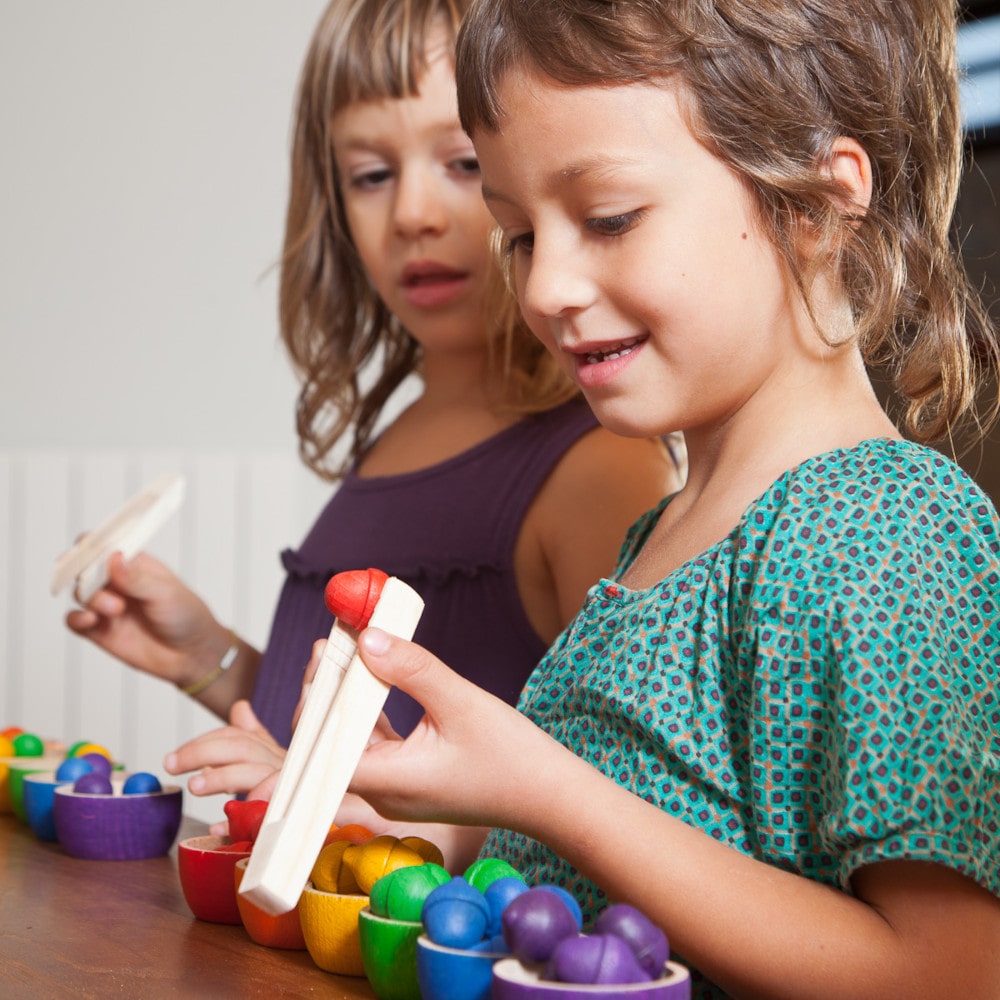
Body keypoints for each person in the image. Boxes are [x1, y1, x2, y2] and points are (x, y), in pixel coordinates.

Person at [334, 0, 1000, 996]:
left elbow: (949, 973)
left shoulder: (886, 529)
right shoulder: (670, 531)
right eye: (519, 235)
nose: (547, 285)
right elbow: (613, 852)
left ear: (814, 205)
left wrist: (543, 786)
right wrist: (422, 801)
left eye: (608, 217)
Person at [64, 0, 680, 800]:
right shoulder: (402, 438)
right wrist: (206, 657)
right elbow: (348, 742)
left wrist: (330, 804)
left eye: (462, 164)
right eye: (372, 175)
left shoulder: (600, 465)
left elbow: (610, 814)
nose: (414, 215)